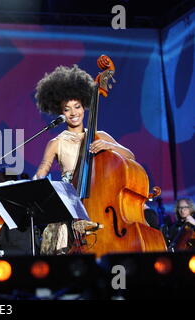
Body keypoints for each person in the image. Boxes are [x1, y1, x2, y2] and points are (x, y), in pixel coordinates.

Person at [33, 65, 135, 255]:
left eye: (77, 106)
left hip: (97, 205)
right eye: (67, 109)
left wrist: (110, 147)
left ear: (85, 106)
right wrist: (35, 184)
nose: (73, 113)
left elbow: (130, 156)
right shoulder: (56, 142)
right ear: (60, 112)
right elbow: (42, 170)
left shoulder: (100, 136)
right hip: (70, 207)